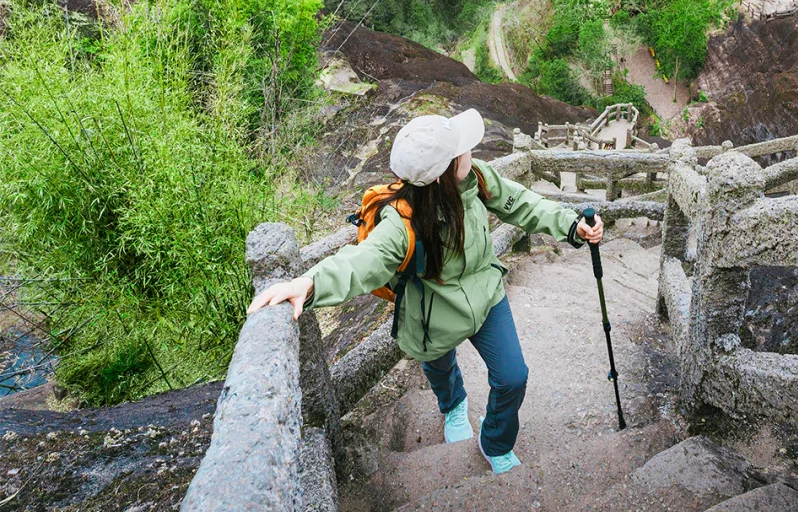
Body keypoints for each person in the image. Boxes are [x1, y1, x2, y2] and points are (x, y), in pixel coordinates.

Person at [248, 108, 603, 475]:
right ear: (441, 176)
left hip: (486, 293)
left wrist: (573, 226)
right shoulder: (402, 222)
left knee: (513, 376)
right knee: (440, 366)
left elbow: (523, 203)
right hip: (432, 309)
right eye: (462, 151)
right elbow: (362, 261)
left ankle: (495, 440)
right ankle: (452, 406)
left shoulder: (476, 178)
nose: (472, 152)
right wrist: (309, 284)